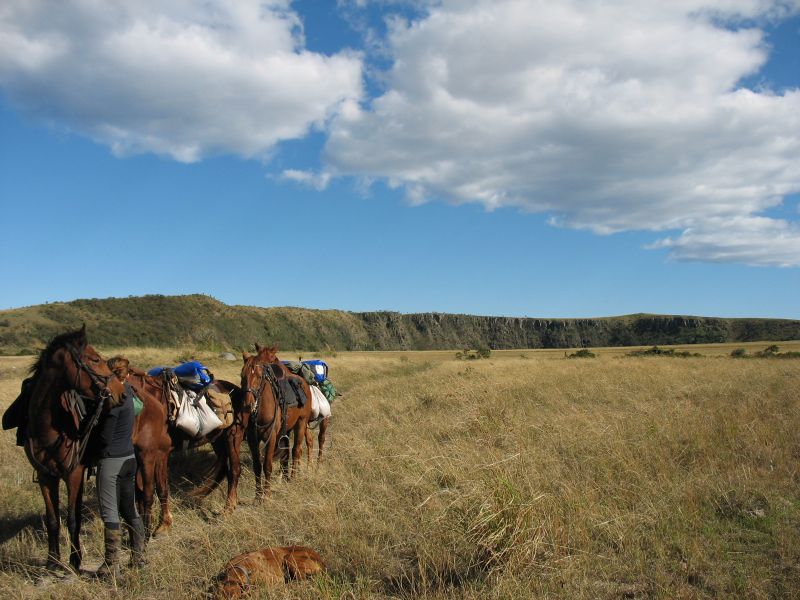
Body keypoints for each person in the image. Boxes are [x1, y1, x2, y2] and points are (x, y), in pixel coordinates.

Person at [91, 356, 145, 578]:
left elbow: (105, 436)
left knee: (109, 511)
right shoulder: (131, 394)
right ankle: (138, 557)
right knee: (129, 508)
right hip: (130, 458)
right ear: (127, 375)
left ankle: (111, 564)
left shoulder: (115, 400)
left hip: (112, 460)